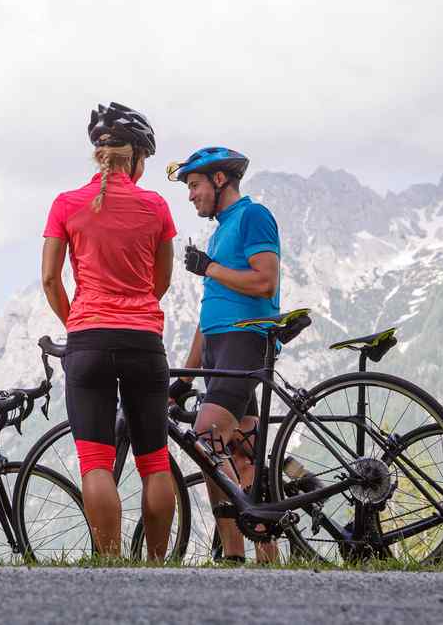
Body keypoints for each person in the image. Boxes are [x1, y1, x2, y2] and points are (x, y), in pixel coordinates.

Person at [41, 102, 176, 559]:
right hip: (143, 340)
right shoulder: (156, 206)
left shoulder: (65, 204)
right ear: (134, 156)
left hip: (88, 339)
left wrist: (77, 322)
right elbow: (162, 282)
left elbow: (49, 279)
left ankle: (111, 561)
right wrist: (135, 308)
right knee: (155, 463)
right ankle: (156, 562)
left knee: (96, 462)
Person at [166, 147, 281, 563]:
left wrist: (210, 267)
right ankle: (268, 561)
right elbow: (209, 312)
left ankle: (231, 558)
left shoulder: (253, 216)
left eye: (194, 185)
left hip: (244, 341)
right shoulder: (220, 229)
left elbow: (266, 281)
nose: (191, 196)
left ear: (219, 180)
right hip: (219, 346)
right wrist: (185, 378)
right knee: (242, 461)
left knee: (205, 443)